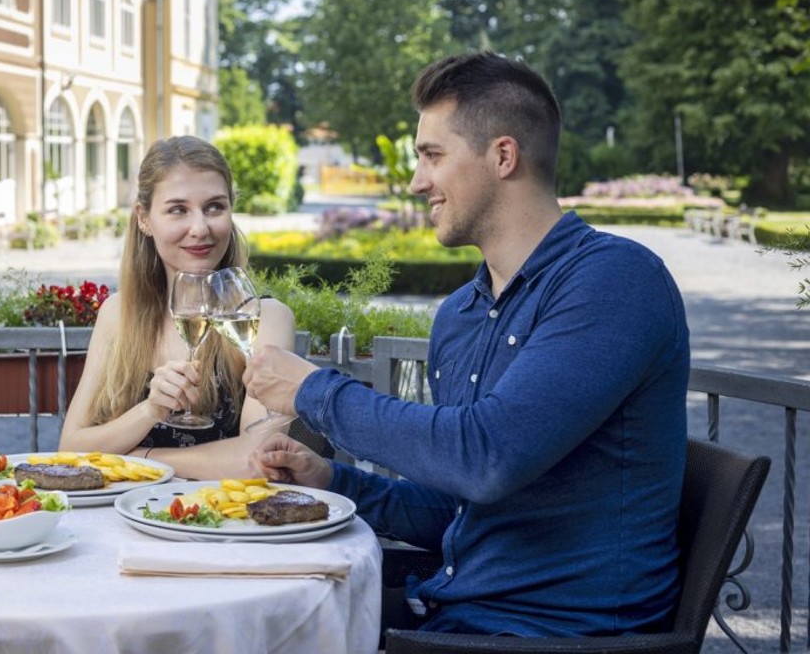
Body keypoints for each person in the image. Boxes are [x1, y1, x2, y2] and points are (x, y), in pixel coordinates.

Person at [245, 52, 690, 637]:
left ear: (503, 156)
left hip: (557, 639)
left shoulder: (614, 281)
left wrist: (313, 390)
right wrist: (333, 481)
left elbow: (485, 459)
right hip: (457, 617)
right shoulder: (460, 314)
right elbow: (462, 504)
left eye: (432, 156)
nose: (416, 181)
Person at [59, 136, 296, 479]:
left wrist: (138, 460)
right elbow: (70, 448)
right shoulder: (118, 314)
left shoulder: (265, 318)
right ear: (144, 218)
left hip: (228, 524)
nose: (200, 228)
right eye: (178, 210)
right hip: (131, 520)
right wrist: (150, 410)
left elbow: (257, 460)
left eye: (215, 207)